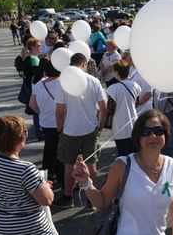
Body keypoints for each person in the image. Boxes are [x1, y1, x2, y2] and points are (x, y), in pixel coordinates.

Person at [54, 53, 107, 208]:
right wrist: (100, 125)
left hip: (70, 130)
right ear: (84, 64)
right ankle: (92, 199)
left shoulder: (62, 83)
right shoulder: (94, 81)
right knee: (91, 164)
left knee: (69, 166)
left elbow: (59, 111)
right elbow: (103, 108)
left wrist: (60, 129)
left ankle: (67, 197)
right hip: (90, 129)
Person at [30, 60, 64, 183]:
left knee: (52, 149)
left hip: (45, 123)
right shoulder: (63, 83)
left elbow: (32, 105)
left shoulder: (39, 84)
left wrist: (42, 113)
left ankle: (54, 174)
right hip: (61, 122)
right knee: (63, 152)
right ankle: (63, 177)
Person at [105, 59, 142, 156]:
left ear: (116, 72)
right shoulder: (135, 85)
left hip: (119, 125)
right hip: (133, 122)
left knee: (123, 154)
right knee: (136, 153)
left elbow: (110, 107)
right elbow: (137, 102)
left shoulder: (113, 88)